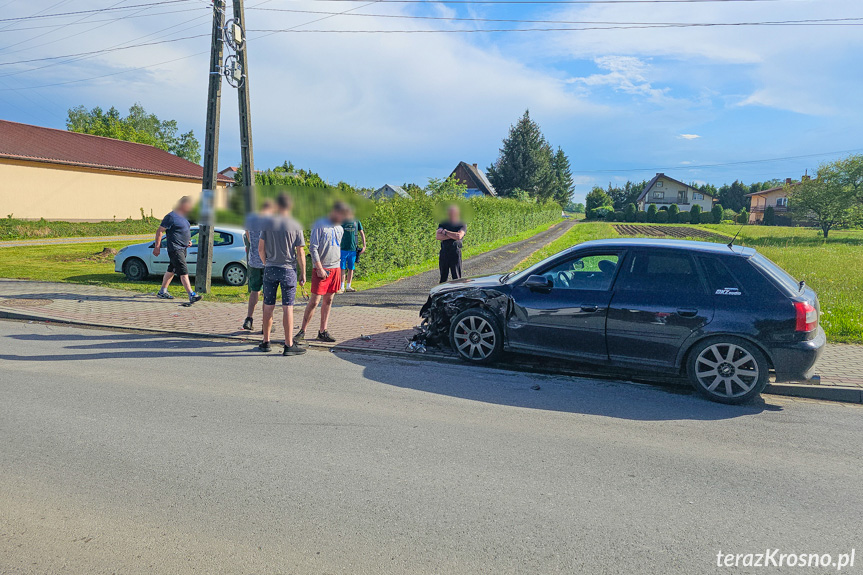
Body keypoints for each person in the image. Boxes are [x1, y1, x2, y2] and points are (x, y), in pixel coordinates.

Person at [258, 193, 307, 355]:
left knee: (268, 305)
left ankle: (266, 341)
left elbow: (260, 249)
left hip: (271, 269)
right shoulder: (295, 225)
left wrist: (267, 263)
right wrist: (303, 273)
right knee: (288, 307)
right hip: (288, 270)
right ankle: (288, 344)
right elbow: (300, 252)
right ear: (290, 206)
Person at [297, 202, 347, 344]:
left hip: (335, 268)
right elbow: (313, 248)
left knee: (329, 300)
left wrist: (338, 266)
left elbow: (337, 247)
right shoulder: (319, 225)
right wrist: (318, 268)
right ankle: (302, 331)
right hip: (321, 268)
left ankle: (322, 331)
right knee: (314, 301)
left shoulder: (339, 228)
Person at [154, 196, 202, 303]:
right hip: (175, 249)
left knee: (172, 270)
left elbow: (182, 231)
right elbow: (160, 231)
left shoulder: (183, 217)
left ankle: (162, 291)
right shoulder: (171, 217)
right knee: (183, 271)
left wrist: (187, 241)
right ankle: (191, 294)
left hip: (183, 248)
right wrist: (157, 247)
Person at [242, 199, 274, 331]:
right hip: (268, 261)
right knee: (268, 293)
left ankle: (249, 319)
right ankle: (265, 324)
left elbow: (249, 239)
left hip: (254, 261)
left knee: (255, 291)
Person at [436, 204, 467, 283]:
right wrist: (452, 235)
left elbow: (459, 236)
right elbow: (438, 236)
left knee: (456, 277)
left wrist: (445, 232)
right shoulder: (443, 223)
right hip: (444, 252)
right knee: (443, 278)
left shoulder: (462, 224)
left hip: (455, 252)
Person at [339, 207, 366, 293]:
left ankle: (348, 286)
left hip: (353, 249)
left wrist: (364, 246)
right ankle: (342, 286)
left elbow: (361, 233)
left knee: (351, 267)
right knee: (342, 267)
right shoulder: (341, 221)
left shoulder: (356, 221)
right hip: (342, 248)